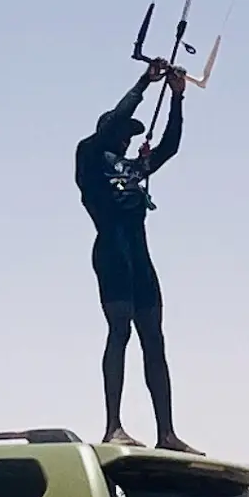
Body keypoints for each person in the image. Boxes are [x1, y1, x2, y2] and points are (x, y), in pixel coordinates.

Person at [74, 60, 194, 451]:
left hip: (140, 256)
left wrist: (177, 98)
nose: (126, 137)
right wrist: (145, 81)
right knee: (120, 331)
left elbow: (171, 147)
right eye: (123, 131)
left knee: (154, 339)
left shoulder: (134, 166)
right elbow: (115, 121)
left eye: (130, 134)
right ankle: (113, 426)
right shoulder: (89, 155)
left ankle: (167, 432)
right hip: (111, 250)